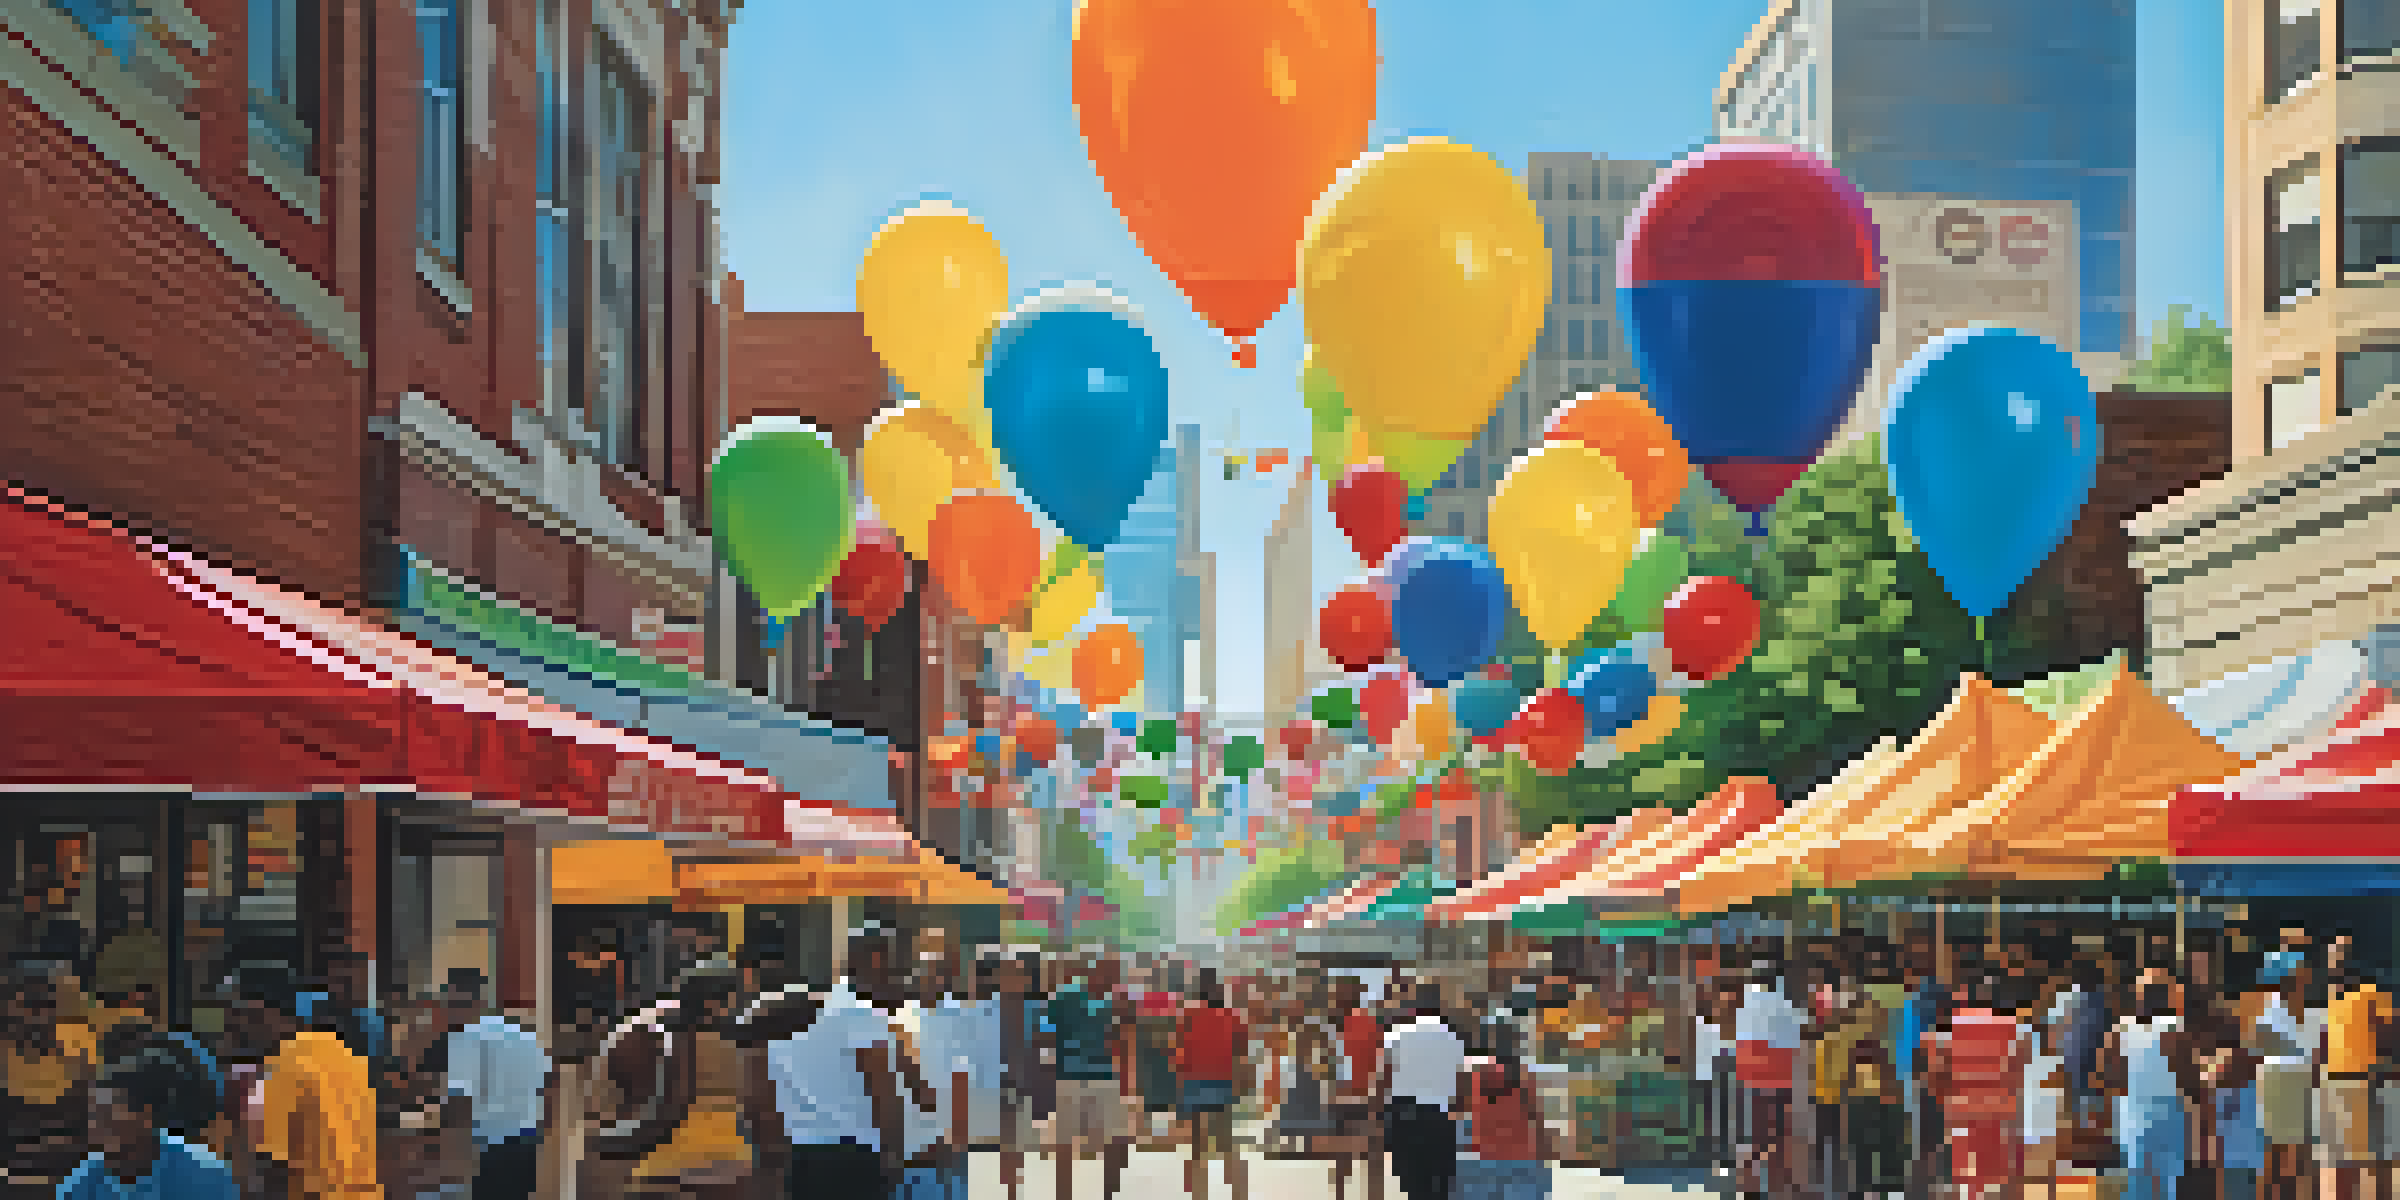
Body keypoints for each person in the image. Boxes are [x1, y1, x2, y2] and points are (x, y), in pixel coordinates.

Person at [761, 931, 915, 1197]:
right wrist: (896, 1154)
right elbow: (884, 1091)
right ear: (875, 962)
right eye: (896, 966)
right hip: (852, 1159)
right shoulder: (862, 1014)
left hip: (800, 1158)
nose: (902, 977)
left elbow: (766, 1096)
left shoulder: (794, 1018)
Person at [627, 968, 753, 1198]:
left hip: (687, 1154)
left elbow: (675, 1101)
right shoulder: (739, 1046)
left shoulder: (687, 1041)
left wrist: (633, 1141)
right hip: (734, 1155)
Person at [256, 973, 384, 1198]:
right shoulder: (350, 1058)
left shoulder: (286, 1060)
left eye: (249, 1016)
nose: (244, 1027)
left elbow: (276, 1162)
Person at [56, 1046, 238, 1200]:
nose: (96, 1126)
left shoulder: (204, 1175)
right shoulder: (82, 1182)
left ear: (146, 1117)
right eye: (93, 1115)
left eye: (108, 1114)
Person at [438, 969, 552, 1200]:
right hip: (531, 1146)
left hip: (490, 1151)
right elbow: (547, 1087)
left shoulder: (464, 1040)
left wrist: (452, 1160)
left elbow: (460, 1106)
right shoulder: (522, 1034)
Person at [3, 968, 100, 1197]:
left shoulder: (79, 1042)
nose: (38, 1013)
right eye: (30, 1004)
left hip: (68, 1158)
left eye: (46, 1004)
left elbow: (92, 1111)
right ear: (9, 1008)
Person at [1046, 956, 1131, 1200]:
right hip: (1070, 1078)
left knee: (1114, 1140)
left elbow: (1122, 1039)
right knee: (1065, 1141)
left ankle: (1107, 1193)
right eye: (1109, 974)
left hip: (1103, 1077)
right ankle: (1065, 1194)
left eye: (1114, 976)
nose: (1112, 980)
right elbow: (1046, 1033)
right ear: (1093, 972)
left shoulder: (1114, 1001)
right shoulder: (1066, 997)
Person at [2105, 981, 2191, 1200]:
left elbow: (2108, 1071)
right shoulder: (2173, 1026)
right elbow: (2186, 1071)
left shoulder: (2122, 1028)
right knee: (2167, 1181)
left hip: (2135, 1112)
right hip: (2166, 1111)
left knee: (2137, 1179)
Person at [1381, 983, 1466, 1200]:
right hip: (1439, 1117)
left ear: (1413, 1007)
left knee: (1413, 1183)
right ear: (1439, 1006)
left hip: (1403, 1115)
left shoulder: (1396, 1034)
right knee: (1439, 1184)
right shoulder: (1453, 1038)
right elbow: (1460, 1082)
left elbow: (1384, 1077)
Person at [2251, 959, 2324, 1200]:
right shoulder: (2271, 1009)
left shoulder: (2311, 1011)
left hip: (2295, 1079)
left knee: (2301, 1154)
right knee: (2278, 1152)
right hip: (2279, 1078)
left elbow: (2317, 1054)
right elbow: (2258, 1046)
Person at [1175, 969, 1250, 1200]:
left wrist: (1180, 1080)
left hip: (1195, 1082)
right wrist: (1241, 1082)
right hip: (1222, 1082)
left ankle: (1200, 1195)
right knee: (1226, 1143)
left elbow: (1179, 1051)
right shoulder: (1232, 1016)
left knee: (1198, 1147)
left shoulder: (1188, 1015)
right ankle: (1239, 1193)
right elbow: (1241, 1054)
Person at [2320, 963, 2392, 1200]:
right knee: (2347, 1158)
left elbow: (2388, 1028)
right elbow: (2388, 1027)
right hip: (2346, 1081)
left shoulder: (2359, 997)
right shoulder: (2343, 1001)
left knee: (2352, 1158)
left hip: (2349, 1081)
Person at [1736, 957, 1804, 1200]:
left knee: (1755, 1138)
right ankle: (1777, 1188)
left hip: (1751, 1082)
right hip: (1780, 1082)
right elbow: (1796, 1044)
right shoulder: (1785, 1006)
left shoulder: (1746, 1006)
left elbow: (1740, 1045)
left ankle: (1749, 1188)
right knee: (1778, 1139)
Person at [1458, 1022, 1551, 1200]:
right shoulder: (1526, 1077)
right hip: (1525, 1161)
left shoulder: (1477, 1075)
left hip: (1485, 1160)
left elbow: (1465, 1116)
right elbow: (1537, 1123)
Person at [993, 952, 1052, 1200]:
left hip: (1025, 1079)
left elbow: (1047, 1041)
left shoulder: (1035, 1007)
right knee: (1008, 1139)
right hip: (996, 1080)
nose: (1014, 979)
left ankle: (1013, 1187)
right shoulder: (989, 1008)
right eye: (1008, 974)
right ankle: (1011, 1189)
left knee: (1017, 1139)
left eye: (1018, 975)